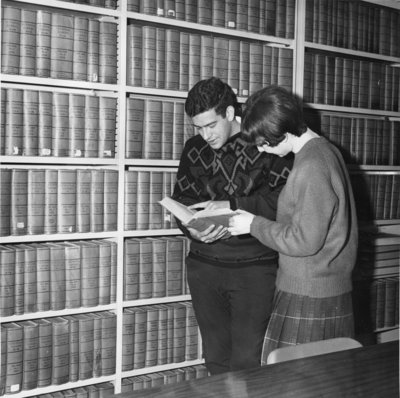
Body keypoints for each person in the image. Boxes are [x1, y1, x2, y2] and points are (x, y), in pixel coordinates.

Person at [228, 85, 358, 364]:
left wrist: (253, 225)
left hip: (310, 294)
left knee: (295, 383)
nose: (262, 150)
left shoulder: (312, 165)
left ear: (283, 133)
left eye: (264, 143)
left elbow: (304, 241)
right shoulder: (324, 151)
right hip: (319, 289)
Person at [172, 77, 293, 374]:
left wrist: (234, 206)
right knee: (215, 360)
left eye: (210, 125)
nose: (205, 135)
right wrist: (191, 227)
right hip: (204, 268)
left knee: (247, 363)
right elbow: (183, 199)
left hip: (254, 269)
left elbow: (283, 203)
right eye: (197, 127)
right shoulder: (194, 148)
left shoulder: (265, 141)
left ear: (229, 113)